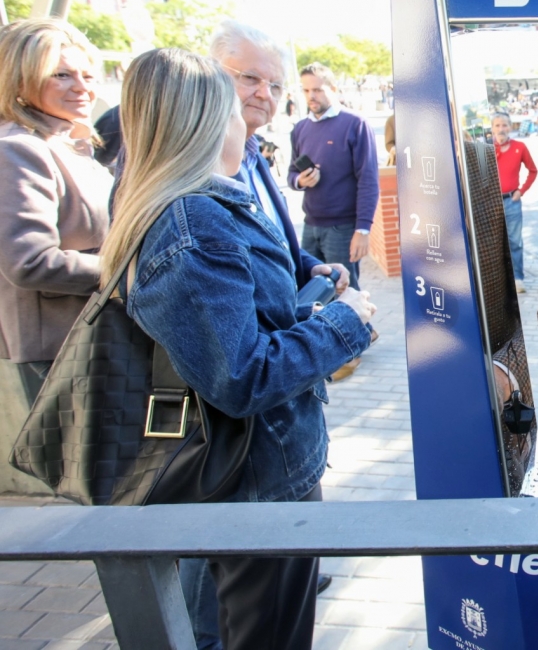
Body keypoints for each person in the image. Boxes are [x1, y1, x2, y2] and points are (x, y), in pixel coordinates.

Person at [106, 48, 375, 650]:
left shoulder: (190, 206)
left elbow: (241, 323)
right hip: (257, 476)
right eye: (237, 103)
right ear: (204, 123)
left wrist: (305, 291)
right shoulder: (193, 223)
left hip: (252, 469)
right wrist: (343, 322)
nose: (252, 119)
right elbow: (243, 375)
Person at [0, 19, 113, 473]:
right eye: (62, 75)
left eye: (87, 74)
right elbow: (29, 261)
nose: (81, 86)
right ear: (21, 78)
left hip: (87, 345)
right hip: (55, 356)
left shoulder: (65, 144)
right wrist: (126, 271)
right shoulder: (19, 151)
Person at [289, 62, 379, 292]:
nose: (312, 96)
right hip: (310, 225)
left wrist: (363, 229)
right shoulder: (300, 128)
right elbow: (291, 173)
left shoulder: (355, 124)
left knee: (346, 293)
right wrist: (301, 181)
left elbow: (368, 180)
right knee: (311, 292)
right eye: (306, 90)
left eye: (317, 89)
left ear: (333, 88)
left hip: (342, 228)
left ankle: (364, 329)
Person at [492, 111, 538, 292]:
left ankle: (518, 278)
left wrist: (521, 191)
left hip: (512, 201)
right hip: (492, 203)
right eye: (497, 125)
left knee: (515, 242)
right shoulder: (487, 148)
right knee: (494, 242)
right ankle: (499, 280)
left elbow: (533, 171)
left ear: (510, 127)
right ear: (492, 128)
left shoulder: (520, 147)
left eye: (504, 125)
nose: (501, 129)